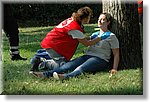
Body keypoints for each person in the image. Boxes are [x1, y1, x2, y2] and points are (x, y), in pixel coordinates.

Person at [31, 12, 120, 80]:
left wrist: (114, 68)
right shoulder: (95, 34)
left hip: (100, 59)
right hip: (88, 56)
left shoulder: (111, 36)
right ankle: (45, 74)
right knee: (67, 66)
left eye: (103, 19)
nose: (100, 21)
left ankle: (65, 77)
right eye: (99, 19)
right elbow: (85, 42)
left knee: (81, 68)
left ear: (108, 22)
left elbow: (116, 54)